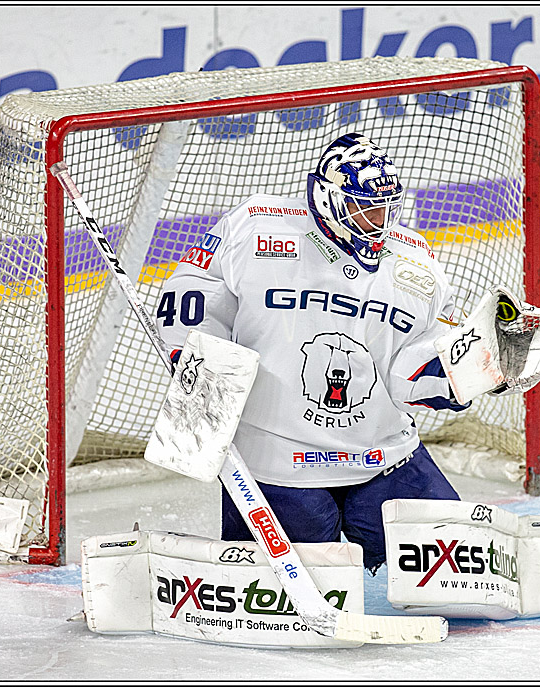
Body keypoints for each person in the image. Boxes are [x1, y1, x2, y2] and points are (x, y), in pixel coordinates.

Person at [155, 132, 470, 573]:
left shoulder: (416, 261)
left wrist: (461, 373)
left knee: (461, 574)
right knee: (283, 597)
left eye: (386, 207)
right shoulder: (256, 226)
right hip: (276, 460)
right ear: (328, 199)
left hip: (384, 455)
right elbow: (192, 292)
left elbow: (421, 358)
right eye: (365, 207)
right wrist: (197, 359)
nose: (379, 221)